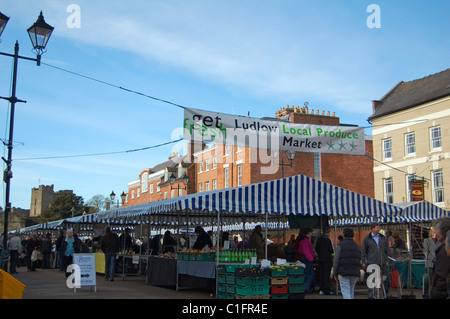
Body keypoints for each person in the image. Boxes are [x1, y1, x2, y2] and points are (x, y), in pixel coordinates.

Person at [361, 223, 389, 298]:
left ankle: (385, 294)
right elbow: (363, 251)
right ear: (372, 228)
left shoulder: (383, 237)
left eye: (379, 228)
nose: (378, 229)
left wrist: (388, 258)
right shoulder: (367, 238)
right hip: (372, 262)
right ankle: (371, 295)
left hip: (382, 261)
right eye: (377, 228)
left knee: (384, 278)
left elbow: (387, 249)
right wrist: (363, 261)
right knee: (372, 279)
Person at [333, 228, 361, 299]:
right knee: (351, 290)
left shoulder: (340, 246)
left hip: (343, 271)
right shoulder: (357, 246)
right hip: (355, 271)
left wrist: (335, 273)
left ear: (344, 235)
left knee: (345, 291)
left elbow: (336, 260)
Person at [430, 217, 450, 299]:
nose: (435, 233)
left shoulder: (444, 251)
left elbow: (441, 276)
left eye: (437, 230)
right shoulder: (443, 248)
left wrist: (436, 293)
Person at [315, 227, 334, 295]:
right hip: (327, 259)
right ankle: (327, 289)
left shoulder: (319, 239)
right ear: (328, 232)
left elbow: (316, 249)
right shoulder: (329, 239)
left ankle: (321, 289)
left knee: (321, 274)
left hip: (320, 259)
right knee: (327, 274)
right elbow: (332, 250)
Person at [295, 227, 315, 293]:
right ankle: (306, 287)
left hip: (304, 258)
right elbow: (306, 251)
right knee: (309, 273)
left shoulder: (302, 239)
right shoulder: (305, 240)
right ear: (308, 233)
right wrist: (311, 258)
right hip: (307, 259)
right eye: (311, 232)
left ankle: (305, 287)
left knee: (306, 273)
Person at [423, 227, 439, 296]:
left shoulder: (439, 241)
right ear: (431, 233)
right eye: (434, 232)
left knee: (436, 279)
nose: (435, 234)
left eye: (436, 233)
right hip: (430, 263)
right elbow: (426, 252)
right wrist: (431, 258)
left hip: (438, 263)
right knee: (431, 279)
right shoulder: (427, 241)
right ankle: (427, 293)